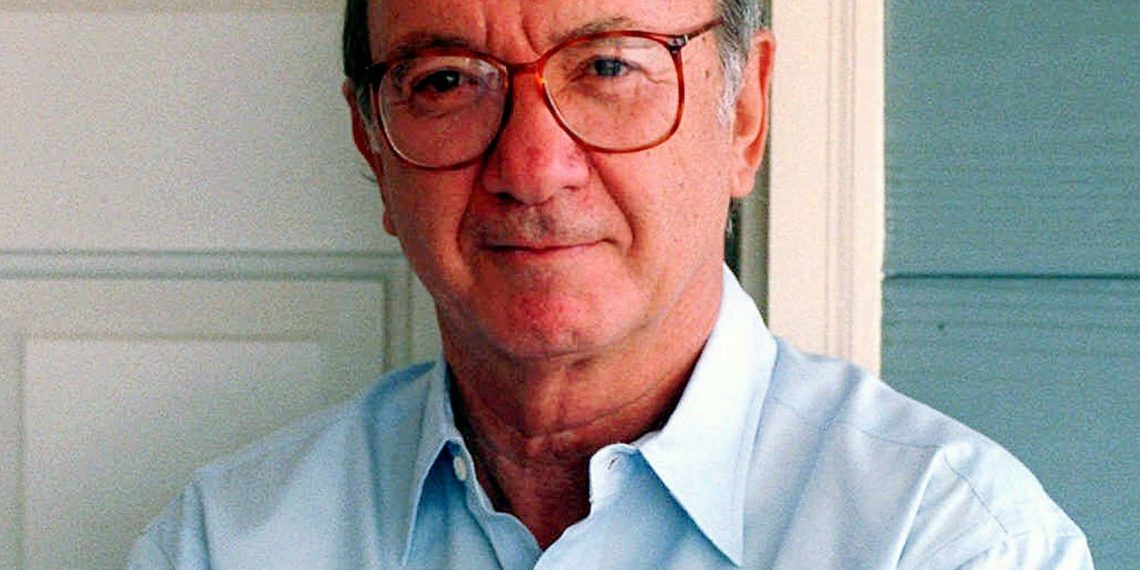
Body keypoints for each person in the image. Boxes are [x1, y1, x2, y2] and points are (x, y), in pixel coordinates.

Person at [128, 0, 1094, 567]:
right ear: (373, 147)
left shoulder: (944, 542)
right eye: (447, 80)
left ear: (745, 114)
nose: (532, 168)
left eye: (607, 66)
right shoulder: (229, 542)